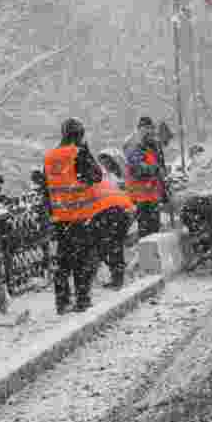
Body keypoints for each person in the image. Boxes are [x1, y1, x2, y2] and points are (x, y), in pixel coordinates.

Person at [43, 118, 103, 314]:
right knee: (82, 260)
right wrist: (87, 152)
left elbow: (46, 188)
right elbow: (96, 176)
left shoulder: (50, 157)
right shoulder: (79, 153)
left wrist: (51, 212)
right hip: (79, 215)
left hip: (60, 217)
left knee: (63, 260)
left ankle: (62, 301)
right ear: (80, 134)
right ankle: (82, 299)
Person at [91, 155, 136, 290]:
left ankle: (117, 279)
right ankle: (118, 277)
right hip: (122, 211)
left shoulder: (94, 179)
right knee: (113, 246)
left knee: (108, 246)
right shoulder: (107, 177)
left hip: (110, 212)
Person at [123, 116, 166, 238]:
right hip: (141, 197)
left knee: (155, 232)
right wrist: (154, 169)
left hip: (153, 195)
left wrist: (164, 193)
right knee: (146, 232)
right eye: (145, 128)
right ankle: (146, 254)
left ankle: (153, 255)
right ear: (139, 129)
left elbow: (160, 170)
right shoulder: (134, 145)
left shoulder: (154, 145)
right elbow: (137, 168)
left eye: (150, 128)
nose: (149, 131)